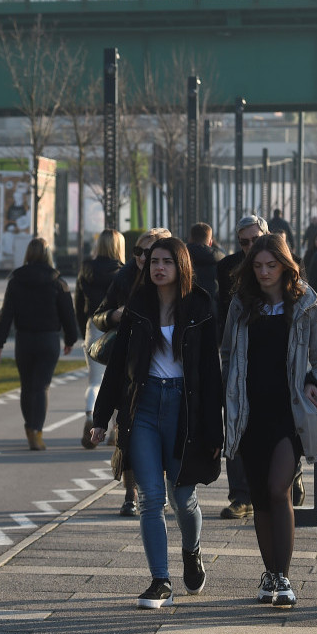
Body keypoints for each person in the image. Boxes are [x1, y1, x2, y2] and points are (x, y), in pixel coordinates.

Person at [89, 236, 224, 609]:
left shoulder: (200, 305)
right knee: (151, 498)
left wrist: (215, 430)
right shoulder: (138, 305)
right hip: (144, 407)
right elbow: (118, 368)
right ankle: (159, 580)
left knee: (183, 497)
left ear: (180, 265)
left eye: (166, 261)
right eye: (153, 262)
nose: (158, 268)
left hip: (185, 408)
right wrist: (102, 419)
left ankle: (191, 550)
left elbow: (211, 375)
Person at [221, 234, 317, 608]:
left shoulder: (304, 302)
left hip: (290, 412)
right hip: (249, 412)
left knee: (276, 489)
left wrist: (315, 386)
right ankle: (269, 574)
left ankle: (283, 577)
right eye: (258, 266)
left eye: (272, 265)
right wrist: (230, 395)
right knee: (258, 495)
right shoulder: (241, 305)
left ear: (285, 265)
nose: (265, 272)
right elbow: (228, 354)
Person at [92, 227, 173, 516]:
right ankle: (130, 493)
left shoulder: (178, 284)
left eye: (149, 252)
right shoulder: (123, 277)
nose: (142, 257)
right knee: (127, 432)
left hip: (164, 372)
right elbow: (99, 315)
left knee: (159, 437)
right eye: (138, 251)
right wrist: (114, 315)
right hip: (128, 368)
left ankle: (156, 490)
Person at [0, 237, 79, 451]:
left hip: (24, 338)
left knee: (27, 386)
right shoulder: (58, 282)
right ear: (48, 254)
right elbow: (68, 314)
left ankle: (29, 428)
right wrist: (70, 339)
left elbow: (6, 314)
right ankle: (37, 432)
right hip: (48, 339)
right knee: (42, 386)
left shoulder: (16, 280)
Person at [214, 215, 268, 520]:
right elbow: (224, 313)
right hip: (236, 357)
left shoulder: (282, 263)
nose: (249, 247)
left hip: (271, 360)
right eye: (244, 242)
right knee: (234, 425)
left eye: (255, 240)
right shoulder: (228, 267)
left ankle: (287, 478)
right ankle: (241, 495)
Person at [75, 228, 126, 448]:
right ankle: (115, 430)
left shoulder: (86, 269)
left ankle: (89, 416)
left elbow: (78, 302)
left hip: (93, 325)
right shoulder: (123, 272)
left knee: (95, 381)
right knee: (118, 378)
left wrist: (81, 329)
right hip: (117, 326)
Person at [186, 222, 226, 305]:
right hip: (213, 309)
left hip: (186, 306)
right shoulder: (221, 260)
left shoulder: (180, 258)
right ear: (210, 242)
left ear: (190, 239)